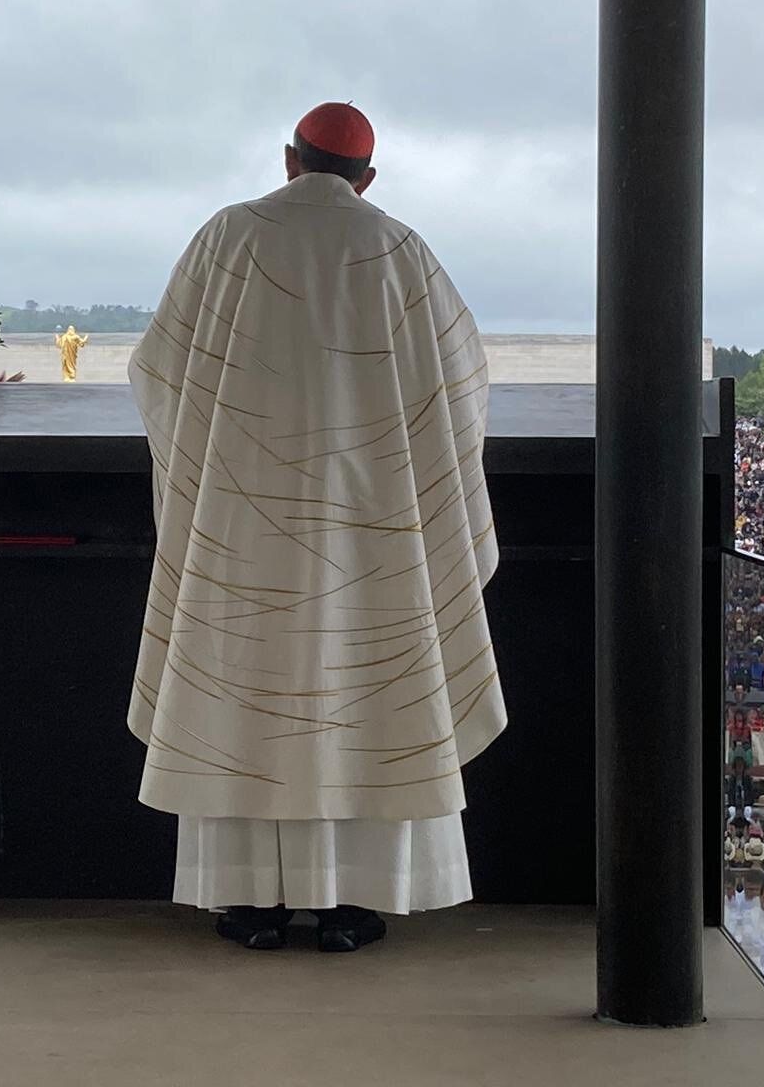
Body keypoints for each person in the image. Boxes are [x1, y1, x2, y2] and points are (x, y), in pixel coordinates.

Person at [127, 102, 499, 953]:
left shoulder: (227, 238)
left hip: (240, 521)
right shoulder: (401, 251)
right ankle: (352, 905)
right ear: (366, 180)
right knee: (369, 697)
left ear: (289, 161)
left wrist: (213, 469)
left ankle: (249, 904)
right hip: (376, 533)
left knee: (245, 700)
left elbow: (159, 372)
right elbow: (462, 385)